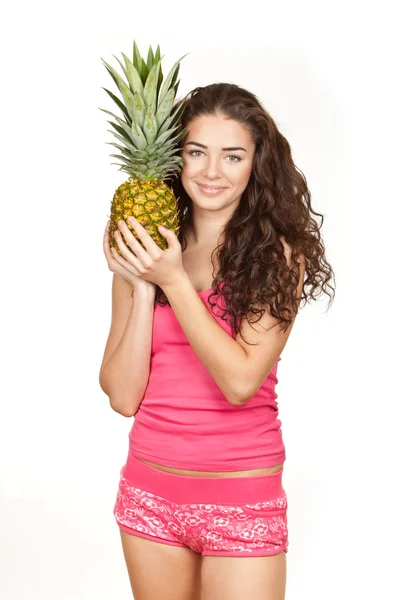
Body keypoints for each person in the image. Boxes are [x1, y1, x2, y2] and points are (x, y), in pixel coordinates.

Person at [99, 82, 335, 600]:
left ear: (256, 163)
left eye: (232, 156)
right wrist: (144, 286)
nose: (211, 172)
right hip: (149, 494)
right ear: (176, 158)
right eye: (196, 152)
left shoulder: (280, 254)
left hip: (241, 498)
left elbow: (239, 380)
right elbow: (121, 396)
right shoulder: (147, 244)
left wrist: (175, 281)